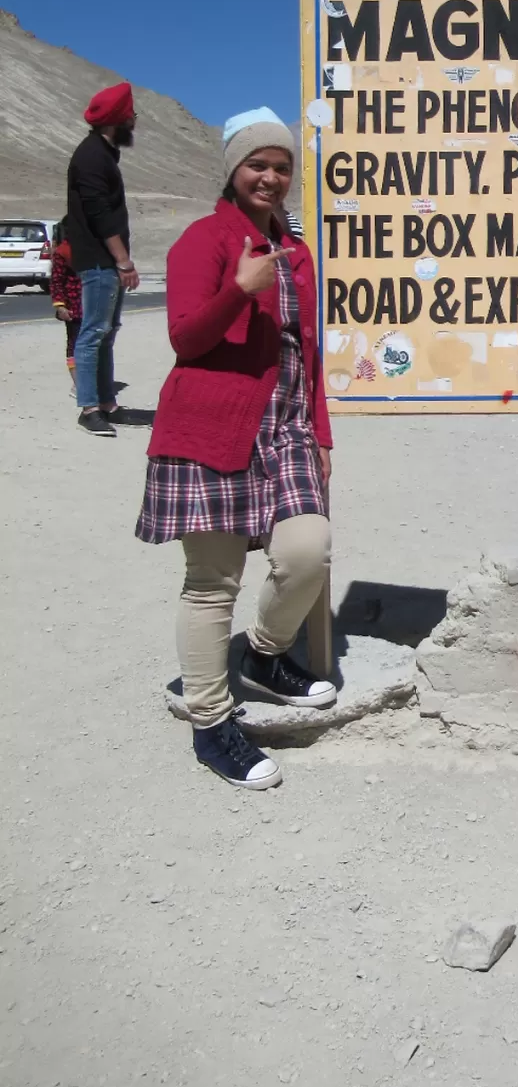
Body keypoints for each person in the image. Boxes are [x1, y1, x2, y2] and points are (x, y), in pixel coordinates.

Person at [137, 108, 337, 790]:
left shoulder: (298, 252)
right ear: (234, 169)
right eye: (259, 164)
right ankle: (212, 722)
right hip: (211, 425)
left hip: (285, 429)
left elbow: (306, 353)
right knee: (212, 583)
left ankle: (264, 652)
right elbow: (187, 339)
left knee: (307, 549)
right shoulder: (204, 240)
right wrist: (237, 290)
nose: (272, 176)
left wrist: (323, 436)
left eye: (282, 167)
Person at [67, 82, 140, 436]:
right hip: (99, 260)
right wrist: (122, 260)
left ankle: (108, 403)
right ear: (117, 120)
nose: (135, 120)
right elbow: (98, 213)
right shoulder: (92, 156)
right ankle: (89, 408)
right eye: (131, 115)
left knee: (107, 332)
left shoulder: (105, 152)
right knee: (93, 332)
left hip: (107, 260)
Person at [49, 218, 82, 387]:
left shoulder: (92, 250)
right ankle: (78, 385)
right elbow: (56, 281)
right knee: (74, 346)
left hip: (92, 308)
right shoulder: (63, 251)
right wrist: (60, 306)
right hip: (74, 309)